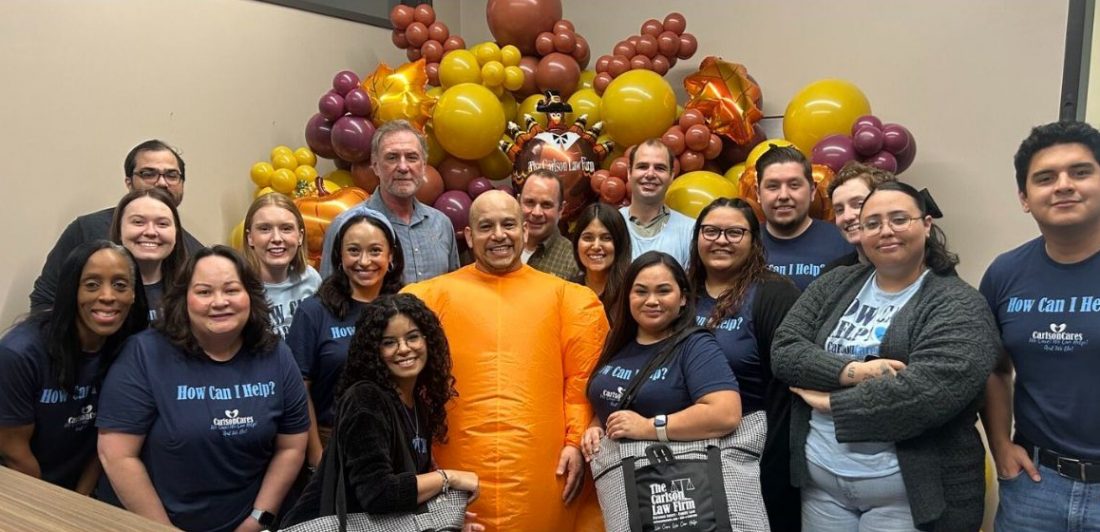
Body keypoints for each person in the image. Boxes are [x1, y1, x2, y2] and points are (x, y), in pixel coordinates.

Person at [772, 182, 999, 531]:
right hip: (822, 489)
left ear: (926, 225)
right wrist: (853, 372)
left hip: (909, 499)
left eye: (899, 219)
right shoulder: (835, 283)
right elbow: (785, 350)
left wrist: (832, 403)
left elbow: (928, 393)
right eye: (873, 223)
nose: (886, 231)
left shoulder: (959, 303)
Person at [402, 191, 608, 531]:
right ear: (469, 236)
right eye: (486, 227)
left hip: (544, 466)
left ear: (524, 231)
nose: (499, 235)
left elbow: (582, 381)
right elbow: (405, 387)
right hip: (452, 461)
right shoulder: (427, 299)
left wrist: (574, 442)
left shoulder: (569, 300)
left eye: (508, 224)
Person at [96, 246, 310, 532]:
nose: (219, 302)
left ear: (250, 295)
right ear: (184, 298)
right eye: (204, 292)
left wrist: (257, 520)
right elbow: (117, 455)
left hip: (251, 523)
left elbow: (291, 447)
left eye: (231, 290)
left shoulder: (276, 354)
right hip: (156, 523)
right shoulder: (145, 354)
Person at [981, 120, 1100, 530]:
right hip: (1036, 485)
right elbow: (995, 368)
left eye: (1080, 172)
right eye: (1045, 178)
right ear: (1025, 198)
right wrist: (1000, 444)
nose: (1063, 186)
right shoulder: (1004, 273)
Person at [282, 294, 483, 531]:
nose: (404, 349)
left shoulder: (417, 404)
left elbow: (403, 499)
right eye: (389, 342)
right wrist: (448, 478)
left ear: (428, 340)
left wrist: (447, 520)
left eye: (412, 337)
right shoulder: (365, 399)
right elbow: (379, 494)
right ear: (373, 351)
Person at [686, 197, 802, 531]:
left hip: (756, 459)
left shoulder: (775, 294)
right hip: (688, 455)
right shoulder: (680, 292)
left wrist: (770, 472)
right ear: (697, 237)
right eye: (710, 231)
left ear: (753, 240)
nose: (721, 240)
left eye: (734, 232)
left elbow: (786, 394)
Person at [0, 241, 147, 493]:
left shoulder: (130, 350)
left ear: (133, 294)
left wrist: (81, 499)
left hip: (80, 491)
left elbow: (106, 440)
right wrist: (52, 508)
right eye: (92, 285)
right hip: (19, 488)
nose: (107, 296)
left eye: (120, 285)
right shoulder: (19, 353)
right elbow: (15, 454)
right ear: (71, 290)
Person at [582, 249, 741, 449]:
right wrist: (596, 425)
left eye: (663, 291)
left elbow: (725, 414)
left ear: (683, 298)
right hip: (613, 464)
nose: (651, 301)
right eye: (641, 291)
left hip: (670, 466)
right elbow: (615, 398)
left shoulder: (696, 346)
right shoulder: (617, 340)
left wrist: (649, 427)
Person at [288, 210, 404, 469]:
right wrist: (316, 456)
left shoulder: (404, 307)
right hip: (333, 440)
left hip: (396, 439)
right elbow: (298, 390)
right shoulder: (314, 312)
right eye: (353, 251)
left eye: (375, 251)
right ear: (339, 256)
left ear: (391, 257)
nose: (364, 261)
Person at [30, 140, 203, 312]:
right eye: (148, 174)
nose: (162, 183)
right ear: (129, 182)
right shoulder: (87, 230)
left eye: (172, 175)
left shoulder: (195, 252)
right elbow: (46, 299)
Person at [320, 120, 458, 282]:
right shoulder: (345, 226)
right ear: (375, 166)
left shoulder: (441, 224)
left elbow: (453, 290)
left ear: (423, 166)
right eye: (392, 157)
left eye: (412, 157)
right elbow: (329, 295)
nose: (403, 167)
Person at [756, 145, 852, 290]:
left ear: (812, 191)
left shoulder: (844, 242)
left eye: (794, 185)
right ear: (758, 194)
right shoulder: (742, 244)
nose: (783, 196)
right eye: (773, 186)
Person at [242, 193, 322, 339]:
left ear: (300, 236)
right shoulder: (239, 288)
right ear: (250, 237)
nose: (277, 238)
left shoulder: (311, 279)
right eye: (265, 229)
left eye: (286, 228)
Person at [108, 187, 189, 322]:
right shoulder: (98, 291)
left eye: (162, 224)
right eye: (138, 222)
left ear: (176, 233)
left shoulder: (191, 290)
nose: (150, 232)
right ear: (119, 230)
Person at [620, 139, 694, 267]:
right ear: (629, 173)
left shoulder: (690, 231)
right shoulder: (609, 226)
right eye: (642, 167)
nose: (650, 174)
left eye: (660, 168)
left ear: (671, 176)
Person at [826, 161, 897, 269]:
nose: (847, 217)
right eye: (839, 210)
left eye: (858, 204)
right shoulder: (833, 273)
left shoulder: (916, 265)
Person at [571, 202, 632, 314]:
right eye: (588, 238)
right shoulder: (569, 290)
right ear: (576, 244)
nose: (596, 246)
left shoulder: (631, 291)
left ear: (620, 244)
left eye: (606, 238)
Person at [520, 169, 580, 280]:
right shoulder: (500, 249)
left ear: (561, 209)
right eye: (530, 202)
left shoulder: (574, 262)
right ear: (518, 202)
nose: (536, 212)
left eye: (546, 205)